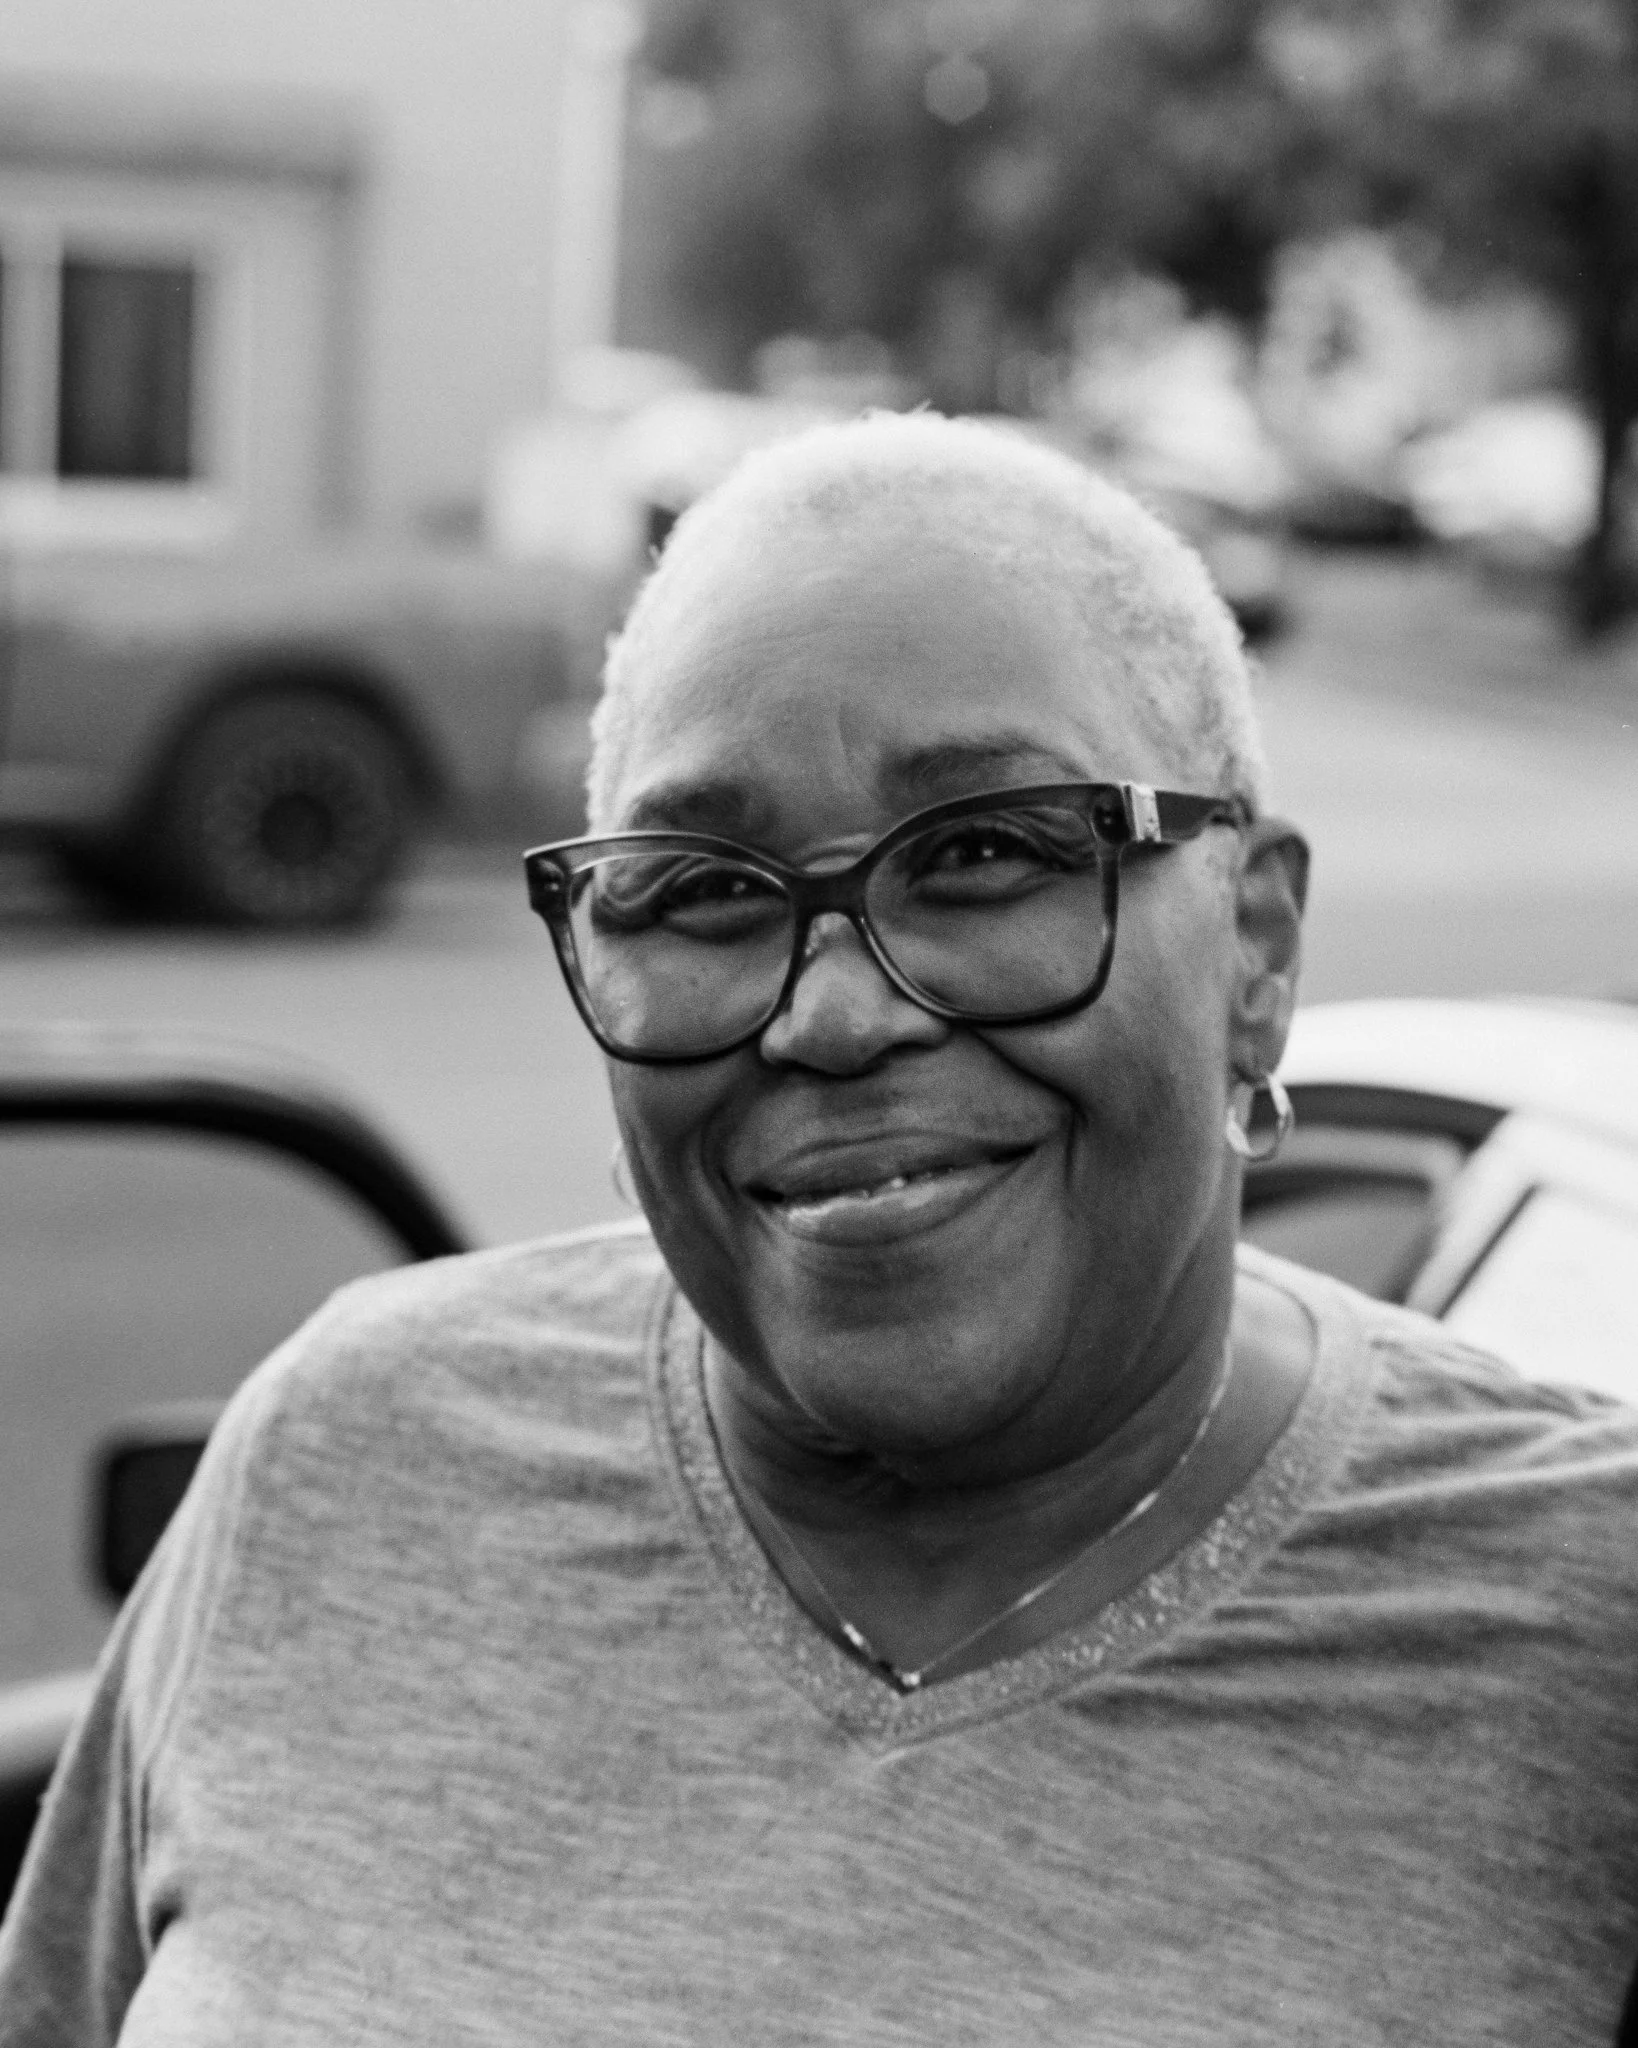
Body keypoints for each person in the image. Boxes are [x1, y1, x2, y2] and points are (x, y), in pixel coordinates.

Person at [2, 413, 1636, 2045]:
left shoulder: (1576, 1629)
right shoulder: (348, 1455)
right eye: (702, 890)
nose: (837, 1016)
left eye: (989, 853)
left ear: (1257, 953)